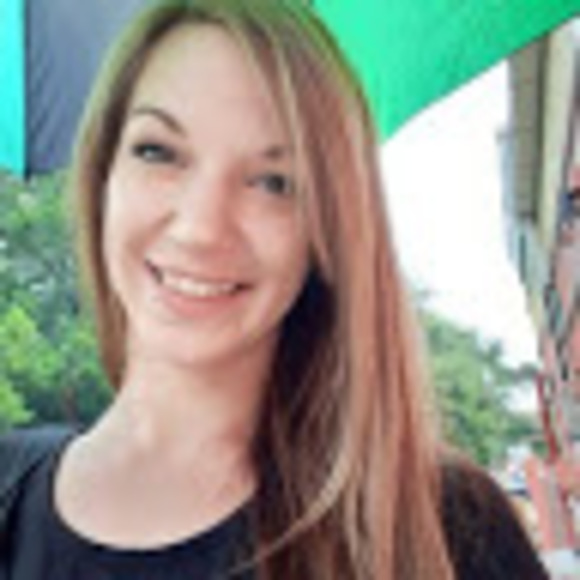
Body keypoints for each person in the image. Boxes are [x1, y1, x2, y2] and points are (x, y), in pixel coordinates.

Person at [0, 1, 550, 578]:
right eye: (158, 152)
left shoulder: (442, 525)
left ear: (326, 230)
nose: (201, 228)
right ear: (102, 175)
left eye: (273, 182)